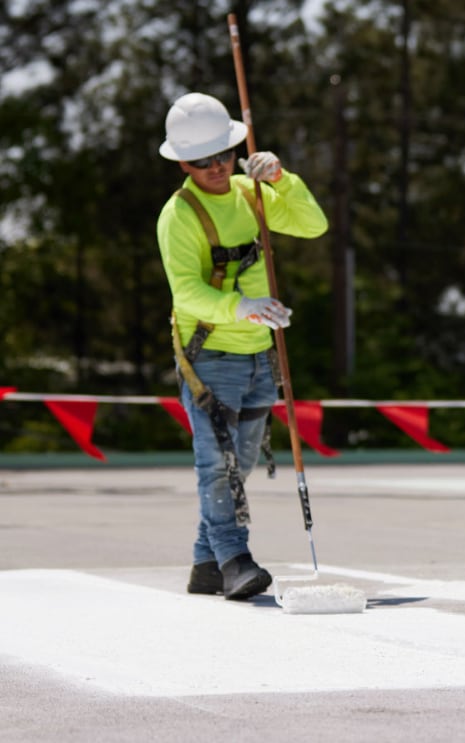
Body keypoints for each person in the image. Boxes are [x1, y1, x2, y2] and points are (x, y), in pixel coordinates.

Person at [156, 92, 328, 600]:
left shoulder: (249, 193)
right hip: (209, 358)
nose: (216, 167)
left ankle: (205, 565)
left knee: (242, 463)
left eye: (223, 155)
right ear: (182, 163)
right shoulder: (178, 215)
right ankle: (235, 561)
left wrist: (282, 180)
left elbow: (313, 225)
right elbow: (186, 291)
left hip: (259, 356)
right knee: (217, 465)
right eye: (202, 161)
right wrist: (244, 307)